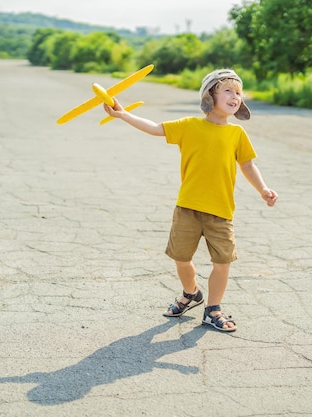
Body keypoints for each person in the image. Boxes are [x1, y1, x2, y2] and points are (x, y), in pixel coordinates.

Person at [103, 69, 278, 332]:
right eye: (228, 90)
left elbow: (248, 165)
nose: (235, 96)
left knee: (223, 262)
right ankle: (191, 293)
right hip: (187, 208)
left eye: (239, 92)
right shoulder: (189, 126)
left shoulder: (237, 134)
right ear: (210, 96)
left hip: (221, 210)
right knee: (181, 258)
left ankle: (213, 309)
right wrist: (122, 113)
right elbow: (155, 128)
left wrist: (263, 188)